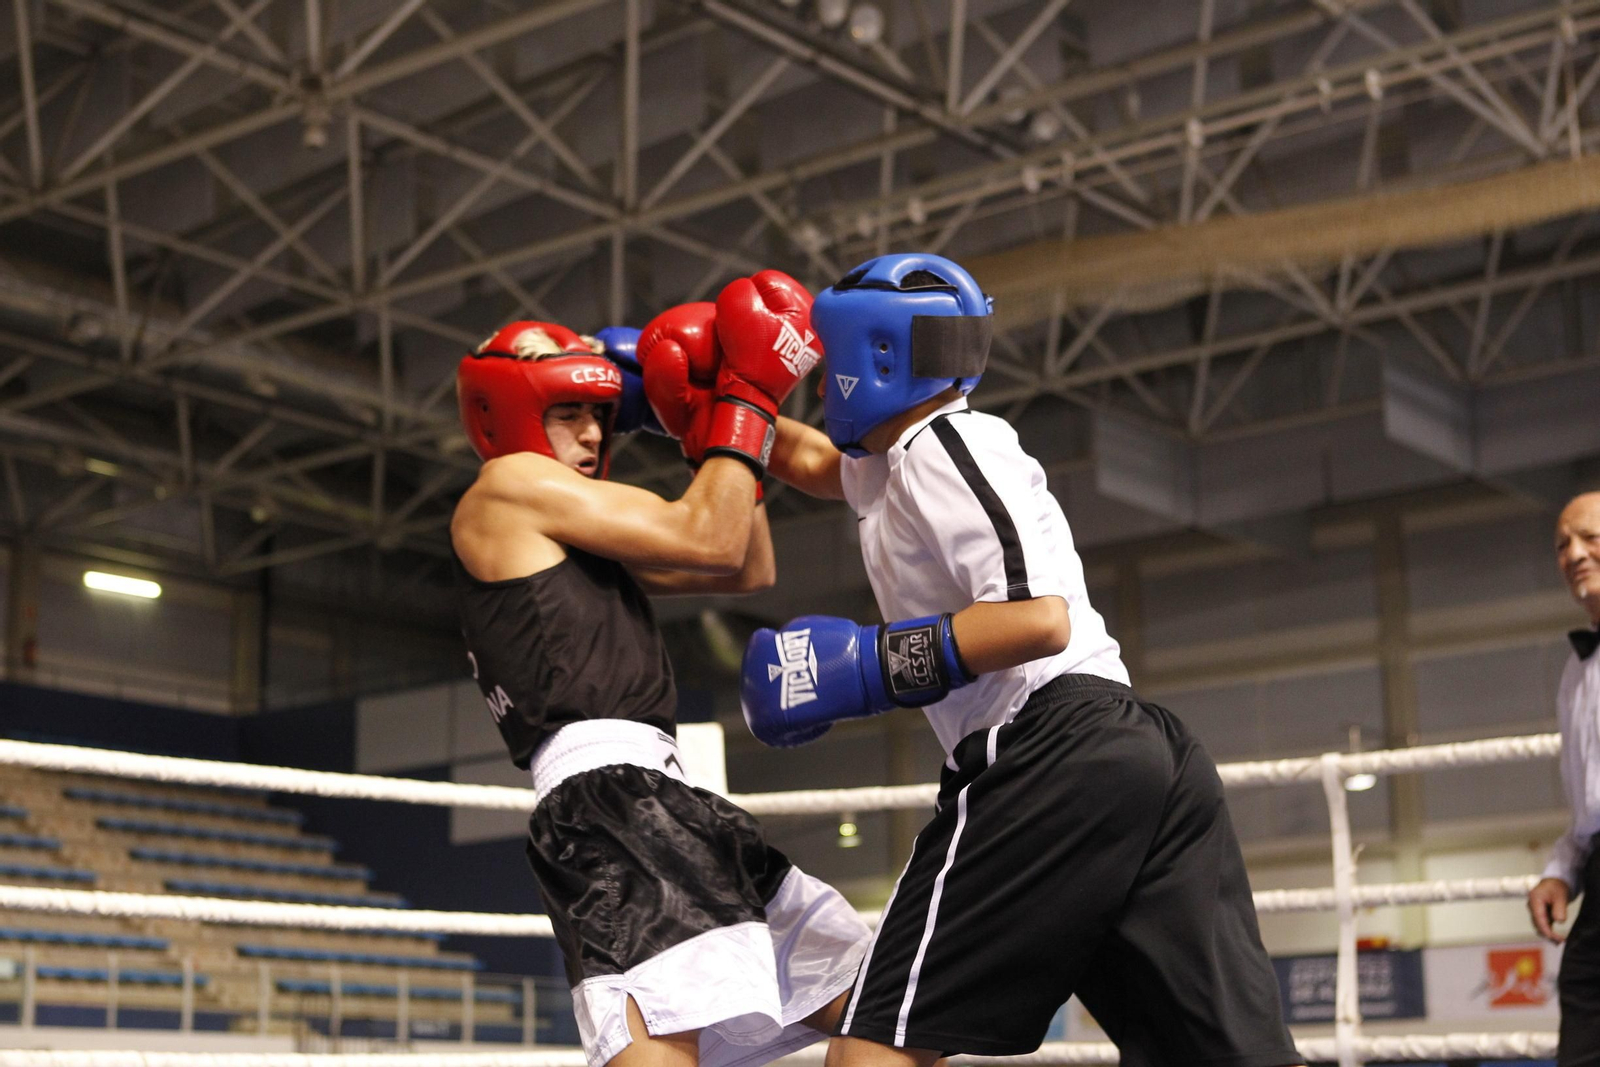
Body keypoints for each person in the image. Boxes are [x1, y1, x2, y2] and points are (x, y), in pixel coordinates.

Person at [740, 253, 1303, 1067]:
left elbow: (1039, 618)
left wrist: (865, 666)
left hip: (1047, 745)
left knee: (873, 1051)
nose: (822, 384)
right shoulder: (894, 466)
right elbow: (808, 460)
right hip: (1138, 755)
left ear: (881, 358)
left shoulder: (948, 443)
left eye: (831, 364)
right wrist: (699, 408)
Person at [450, 294, 869, 1067]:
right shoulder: (505, 488)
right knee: (666, 1038)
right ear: (509, 413)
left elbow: (745, 559)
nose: (590, 431)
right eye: (566, 411)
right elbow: (707, 534)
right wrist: (741, 399)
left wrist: (700, 427)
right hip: (605, 798)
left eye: (597, 413)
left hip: (664, 792)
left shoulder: (571, 530)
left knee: (873, 996)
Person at [1527, 491, 1600, 1066]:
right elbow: (1588, 810)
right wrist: (1561, 874)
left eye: (1590, 537)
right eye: (1562, 544)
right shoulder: (1576, 675)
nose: (1574, 553)